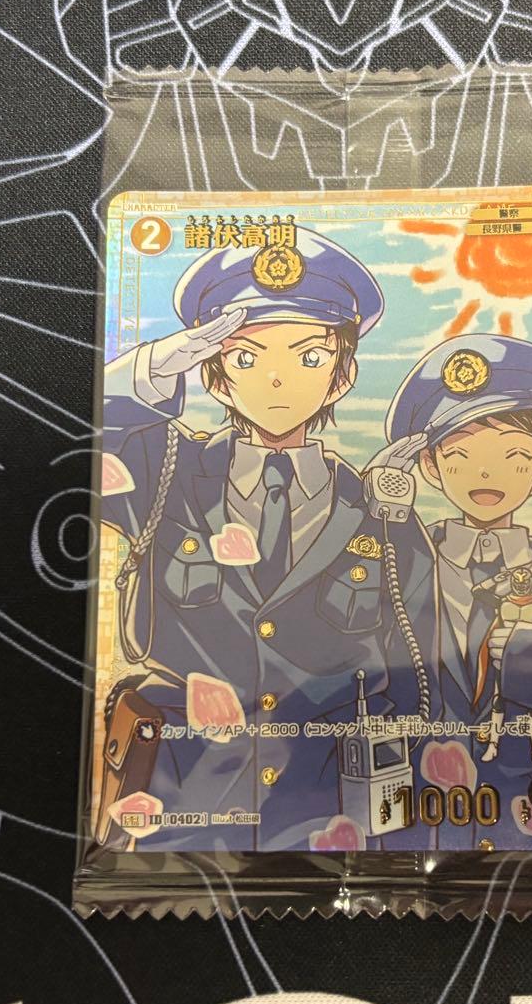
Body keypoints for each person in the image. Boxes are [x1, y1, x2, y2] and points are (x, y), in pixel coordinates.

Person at [98, 227, 438, 851]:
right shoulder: (165, 469)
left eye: (309, 357)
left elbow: (419, 663)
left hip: (330, 807)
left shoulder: (375, 511)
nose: (277, 381)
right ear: (215, 375)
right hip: (181, 799)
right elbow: (86, 438)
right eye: (247, 358)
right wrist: (155, 366)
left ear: (342, 376)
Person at [384, 333, 532, 850]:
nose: (484, 472)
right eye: (459, 455)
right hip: (408, 824)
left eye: (515, 454)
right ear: (429, 466)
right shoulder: (397, 568)